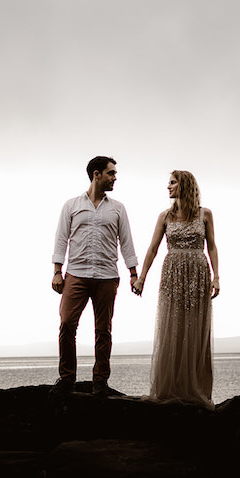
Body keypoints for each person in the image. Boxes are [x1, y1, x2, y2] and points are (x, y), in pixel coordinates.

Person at [51, 155, 139, 397]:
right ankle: (67, 378)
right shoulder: (71, 205)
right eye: (111, 173)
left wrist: (133, 274)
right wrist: (57, 272)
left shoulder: (118, 208)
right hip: (76, 275)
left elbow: (127, 243)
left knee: (103, 330)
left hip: (107, 276)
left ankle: (100, 380)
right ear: (96, 174)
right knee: (67, 324)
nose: (115, 178)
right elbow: (61, 239)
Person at [132, 170, 219, 409]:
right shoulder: (165, 217)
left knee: (196, 328)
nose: (168, 187)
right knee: (173, 327)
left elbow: (211, 247)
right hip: (172, 274)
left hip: (198, 274)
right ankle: (171, 389)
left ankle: (197, 390)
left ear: (185, 185)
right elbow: (152, 250)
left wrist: (217, 276)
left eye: (172, 182)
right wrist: (141, 279)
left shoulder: (205, 214)